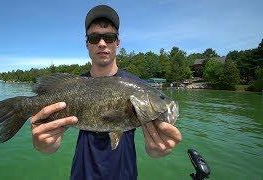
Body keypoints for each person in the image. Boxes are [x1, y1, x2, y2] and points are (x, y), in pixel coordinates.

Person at [30, 5, 182, 180]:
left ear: (117, 42)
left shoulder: (137, 85)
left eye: (109, 37)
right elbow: (49, 146)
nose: (102, 43)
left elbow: (154, 148)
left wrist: (157, 149)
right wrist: (43, 145)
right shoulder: (73, 84)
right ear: (87, 44)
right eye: (94, 38)